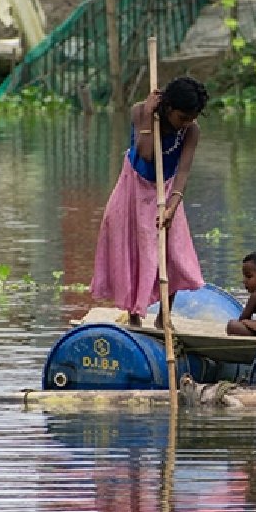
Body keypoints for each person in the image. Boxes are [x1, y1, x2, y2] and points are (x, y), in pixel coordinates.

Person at [90, 76, 209, 328]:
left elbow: (184, 171)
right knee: (132, 246)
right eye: (182, 118)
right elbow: (146, 153)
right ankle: (134, 315)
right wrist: (146, 115)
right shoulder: (141, 112)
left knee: (173, 252)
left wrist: (172, 206)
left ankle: (164, 315)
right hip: (133, 186)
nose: (186, 124)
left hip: (167, 189)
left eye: (191, 118)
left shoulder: (191, 130)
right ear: (168, 108)